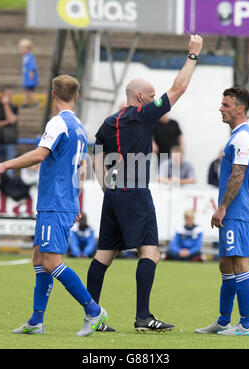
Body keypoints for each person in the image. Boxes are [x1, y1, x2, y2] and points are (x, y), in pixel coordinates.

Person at [88, 34, 203, 332]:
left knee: (104, 254)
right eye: (151, 97)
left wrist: (104, 184)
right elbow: (178, 89)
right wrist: (192, 55)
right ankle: (143, 317)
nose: (155, 101)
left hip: (113, 193)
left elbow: (96, 153)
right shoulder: (143, 115)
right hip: (136, 191)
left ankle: (92, 315)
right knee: (150, 251)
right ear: (140, 98)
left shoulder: (109, 121)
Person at [0, 74, 108, 337]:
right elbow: (82, 167)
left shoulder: (58, 123)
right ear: (76, 96)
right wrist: (75, 202)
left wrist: (3, 164)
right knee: (39, 258)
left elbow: (40, 155)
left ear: (52, 94)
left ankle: (94, 311)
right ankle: (36, 320)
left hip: (55, 202)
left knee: (52, 262)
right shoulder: (79, 126)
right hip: (59, 202)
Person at [195, 87, 249, 336]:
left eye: (226, 105)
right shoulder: (236, 136)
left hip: (238, 210)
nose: (221, 109)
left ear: (240, 109)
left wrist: (222, 207)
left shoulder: (243, 137)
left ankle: (245, 324)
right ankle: (223, 321)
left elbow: (238, 174)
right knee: (225, 264)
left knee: (240, 263)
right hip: (233, 210)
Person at [18, 39, 39, 108]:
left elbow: (32, 66)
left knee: (29, 90)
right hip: (26, 77)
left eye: (23, 48)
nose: (21, 50)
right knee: (26, 90)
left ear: (28, 49)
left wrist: (32, 73)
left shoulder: (30, 56)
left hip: (30, 77)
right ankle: (25, 102)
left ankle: (35, 102)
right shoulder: (25, 57)